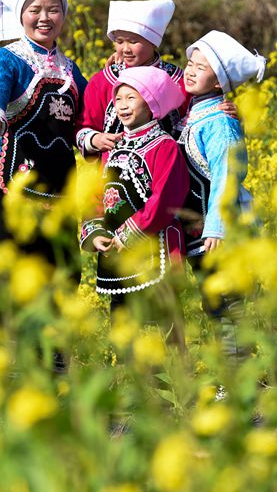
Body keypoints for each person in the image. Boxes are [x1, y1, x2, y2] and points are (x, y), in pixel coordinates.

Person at [0, 0, 89, 336]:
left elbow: (92, 113)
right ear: (20, 15)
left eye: (53, 9)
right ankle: (15, 355)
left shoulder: (71, 70)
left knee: (61, 267)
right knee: (12, 269)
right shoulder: (8, 59)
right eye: (35, 9)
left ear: (64, 15)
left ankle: (55, 351)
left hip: (58, 186)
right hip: (10, 182)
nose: (44, 18)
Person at [79, 66, 189, 347]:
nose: (123, 105)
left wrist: (128, 234)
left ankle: (178, 390)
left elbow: (166, 199)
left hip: (154, 253)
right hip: (118, 255)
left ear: (151, 102)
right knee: (124, 328)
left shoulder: (165, 147)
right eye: (118, 99)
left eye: (132, 97)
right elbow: (98, 194)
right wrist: (94, 230)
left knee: (162, 331)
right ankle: (133, 387)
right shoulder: (113, 147)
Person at [177, 31, 265, 358]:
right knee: (216, 302)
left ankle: (242, 380)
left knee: (229, 303)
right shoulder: (197, 113)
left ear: (219, 84)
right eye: (190, 63)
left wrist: (217, 226)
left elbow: (227, 177)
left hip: (220, 231)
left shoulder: (220, 122)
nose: (190, 70)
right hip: (202, 231)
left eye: (201, 68)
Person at [75, 0, 186, 163]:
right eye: (119, 41)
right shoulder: (103, 81)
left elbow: (196, 118)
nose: (125, 49)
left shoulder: (177, 80)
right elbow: (83, 126)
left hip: (167, 174)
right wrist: (95, 139)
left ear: (153, 41)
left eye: (133, 41)